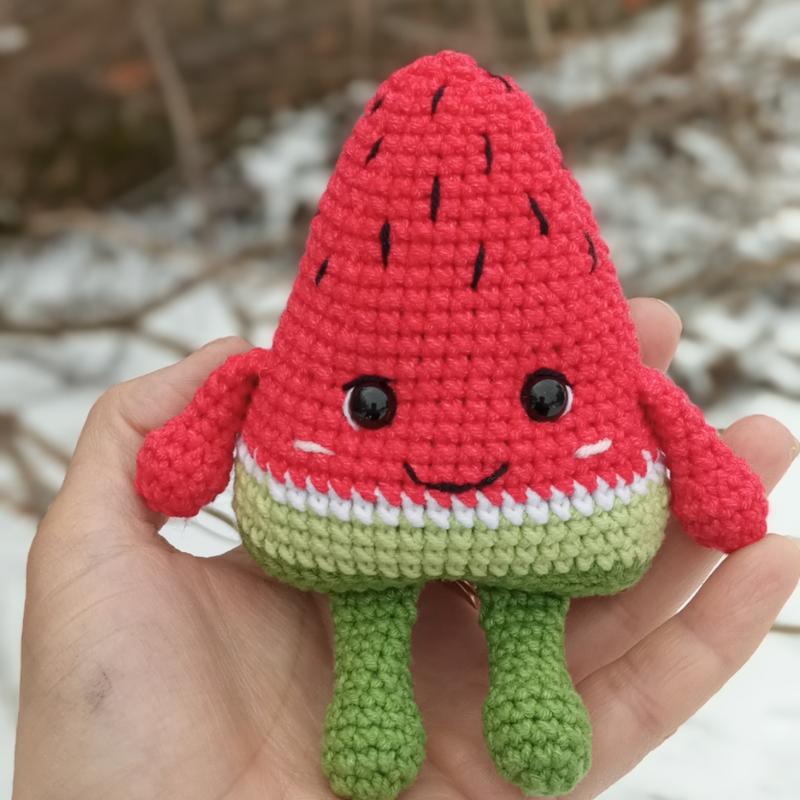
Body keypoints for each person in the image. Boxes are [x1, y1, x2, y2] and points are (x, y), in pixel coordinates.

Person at [12, 298, 800, 800]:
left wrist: (712, 483)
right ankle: (392, 692)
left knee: (382, 583)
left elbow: (239, 387)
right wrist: (715, 487)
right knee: (405, 586)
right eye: (371, 403)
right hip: (419, 523)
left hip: (356, 519)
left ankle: (509, 679)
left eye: (544, 400)